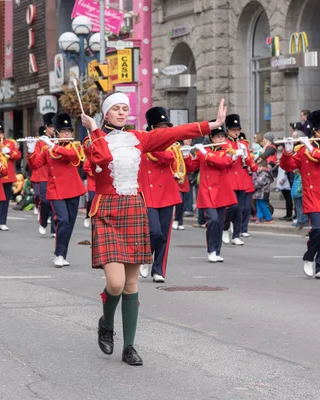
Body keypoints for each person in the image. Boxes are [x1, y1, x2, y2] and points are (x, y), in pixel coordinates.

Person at [80, 92, 226, 366]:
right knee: (115, 283)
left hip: (134, 208)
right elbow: (99, 159)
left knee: (131, 284)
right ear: (106, 113)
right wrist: (93, 128)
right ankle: (106, 322)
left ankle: (130, 347)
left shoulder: (139, 138)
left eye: (126, 109)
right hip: (107, 212)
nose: (122, 113)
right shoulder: (93, 138)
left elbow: (173, 133)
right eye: (117, 109)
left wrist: (212, 125)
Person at [280, 110, 320, 280]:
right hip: (312, 195)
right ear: (315, 131)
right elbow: (288, 166)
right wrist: (287, 151)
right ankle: (309, 256)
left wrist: (311, 148)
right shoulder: (302, 150)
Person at [27, 113, 86, 267]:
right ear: (57, 133)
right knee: (63, 220)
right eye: (64, 131)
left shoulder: (75, 146)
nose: (67, 134)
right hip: (56, 190)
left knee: (69, 224)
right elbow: (35, 165)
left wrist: (55, 146)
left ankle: (63, 253)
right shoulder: (47, 149)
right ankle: (59, 254)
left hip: (73, 189)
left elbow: (72, 156)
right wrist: (31, 150)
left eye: (69, 131)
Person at [138, 107, 184, 282]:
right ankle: (145, 256)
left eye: (166, 127)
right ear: (151, 128)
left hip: (166, 193)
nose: (164, 130)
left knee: (164, 234)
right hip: (147, 194)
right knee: (154, 231)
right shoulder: (142, 143)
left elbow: (169, 159)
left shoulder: (171, 146)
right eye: (160, 127)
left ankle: (159, 270)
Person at [184, 123, 238, 263]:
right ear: (212, 139)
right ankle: (211, 250)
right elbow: (191, 167)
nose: (220, 139)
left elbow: (223, 163)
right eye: (217, 137)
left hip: (222, 191)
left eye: (222, 137)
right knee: (213, 220)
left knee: (219, 222)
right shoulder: (203, 151)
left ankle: (217, 250)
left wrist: (205, 153)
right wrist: (186, 156)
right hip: (207, 191)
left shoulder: (228, 150)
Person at [222, 115, 258, 246]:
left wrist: (247, 158)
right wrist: (232, 156)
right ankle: (225, 228)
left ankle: (236, 235)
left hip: (241, 180)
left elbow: (249, 162)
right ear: (228, 130)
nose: (236, 132)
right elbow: (223, 163)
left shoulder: (243, 144)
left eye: (237, 129)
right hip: (230, 179)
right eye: (233, 129)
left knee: (240, 209)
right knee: (232, 207)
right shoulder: (225, 144)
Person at [0, 120, 21, 232]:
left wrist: (10, 152)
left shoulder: (10, 143)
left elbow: (18, 156)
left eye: (1, 132)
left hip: (8, 176)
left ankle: (2, 221)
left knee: (5, 201)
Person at [31, 114, 56, 236]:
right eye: (51, 127)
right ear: (46, 127)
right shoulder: (41, 141)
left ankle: (54, 229)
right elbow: (36, 160)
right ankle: (43, 222)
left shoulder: (59, 139)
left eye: (54, 127)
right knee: (45, 202)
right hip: (44, 175)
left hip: (56, 175)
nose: (53, 129)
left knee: (55, 202)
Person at [82, 158, 96, 228]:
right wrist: (93, 174)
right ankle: (88, 215)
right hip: (92, 181)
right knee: (91, 199)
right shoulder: (91, 155)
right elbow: (86, 167)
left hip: (103, 181)